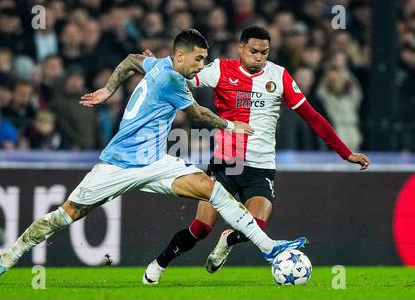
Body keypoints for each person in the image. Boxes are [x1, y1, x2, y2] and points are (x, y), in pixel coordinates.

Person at [0, 29, 306, 285]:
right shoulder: (173, 79)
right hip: (117, 164)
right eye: (198, 60)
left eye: (205, 60)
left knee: (212, 189)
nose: (202, 67)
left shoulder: (160, 64)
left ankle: (268, 248)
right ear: (180, 57)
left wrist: (108, 89)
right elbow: (199, 115)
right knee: (64, 217)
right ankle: (9, 257)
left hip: (155, 162)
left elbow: (133, 59)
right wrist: (229, 124)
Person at [142, 26, 370, 284]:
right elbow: (181, 75)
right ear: (240, 48)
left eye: (265, 52)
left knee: (256, 227)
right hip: (226, 163)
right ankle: (159, 263)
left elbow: (312, 117)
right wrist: (158, 65)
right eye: (253, 51)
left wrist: (345, 152)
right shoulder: (220, 70)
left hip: (261, 167)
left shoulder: (279, 76)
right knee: (201, 229)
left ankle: (228, 239)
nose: (259, 57)